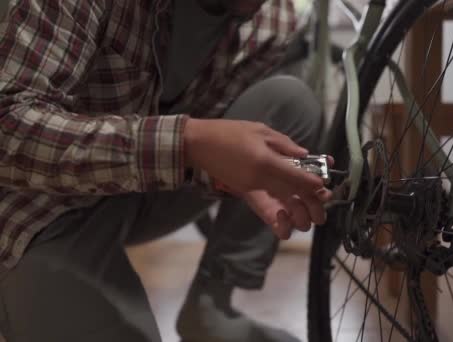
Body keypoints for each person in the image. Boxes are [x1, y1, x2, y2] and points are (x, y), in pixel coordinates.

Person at [0, 0, 331, 341]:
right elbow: (7, 127)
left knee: (290, 104)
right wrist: (188, 142)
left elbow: (201, 149)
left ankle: (210, 309)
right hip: (38, 208)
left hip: (142, 188)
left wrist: (238, 172)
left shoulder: (273, 23)